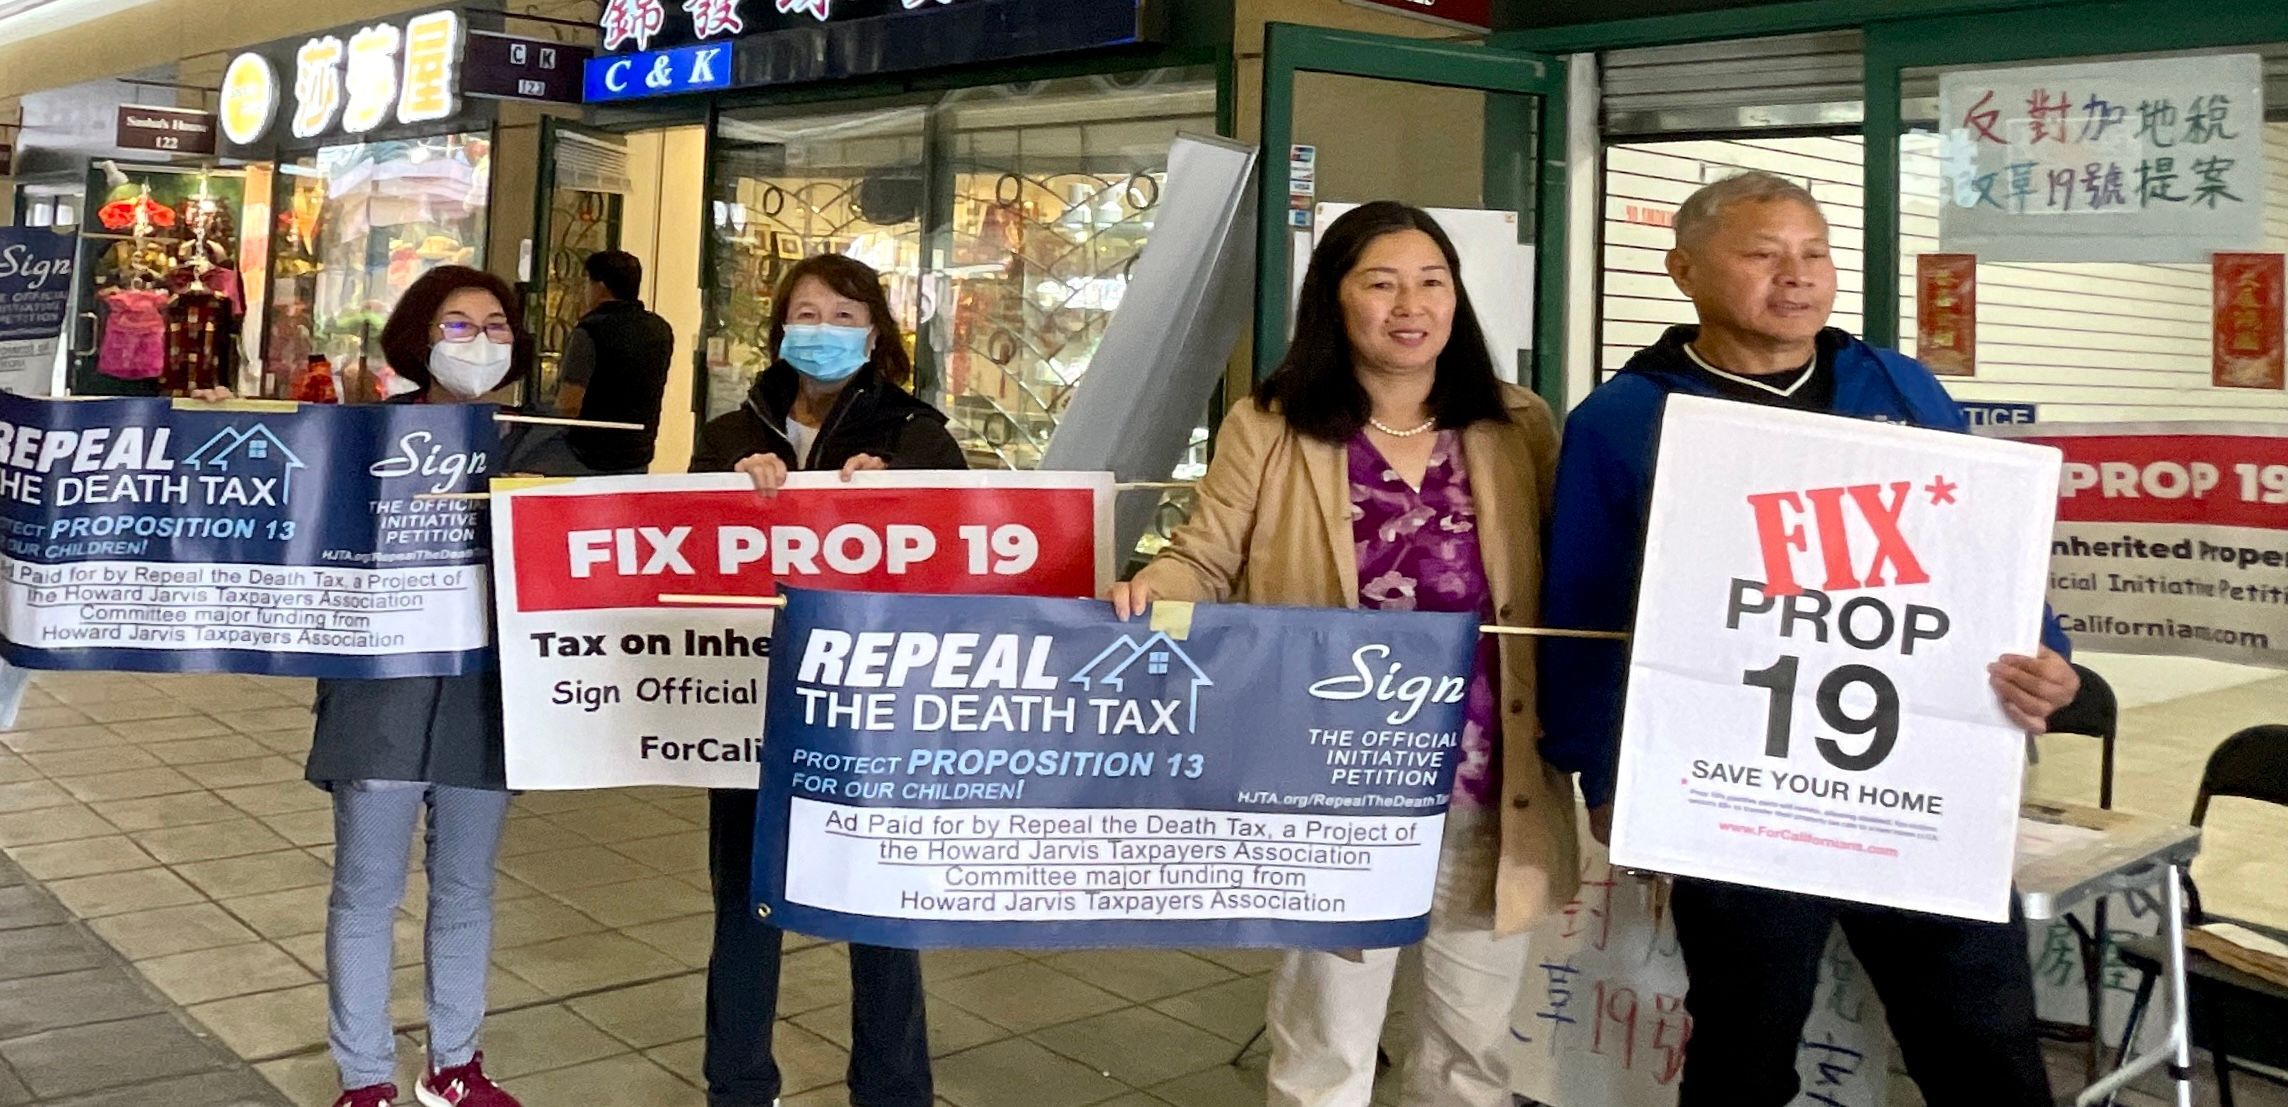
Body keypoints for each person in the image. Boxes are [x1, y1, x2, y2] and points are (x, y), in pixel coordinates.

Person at [1537, 171, 2083, 1107]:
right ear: (1684, 270)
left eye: (1814, 253)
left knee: (1983, 1036)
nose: (1796, 277)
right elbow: (1582, 611)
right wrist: (1602, 773)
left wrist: (2045, 650)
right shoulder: (1624, 421)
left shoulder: (1897, 387)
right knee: (1745, 1041)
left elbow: (1980, 549)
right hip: (1738, 786)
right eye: (1762, 254)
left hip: (1918, 780)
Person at [1111, 201, 1579, 1107]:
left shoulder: (1517, 423)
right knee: (1326, 1049)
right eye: (1382, 282)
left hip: (1491, 781)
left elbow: (1570, 570)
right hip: (1330, 783)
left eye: (1432, 281)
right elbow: (1206, 555)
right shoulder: (1273, 422)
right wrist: (1159, 586)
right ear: (1335, 298)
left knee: (1470, 1054)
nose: (1412, 304)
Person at [204, 267, 557, 1107]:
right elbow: (281, 491)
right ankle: (365, 1073)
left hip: (491, 703)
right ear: (420, 339)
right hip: (379, 697)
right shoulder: (362, 436)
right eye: (458, 325)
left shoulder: (545, 443)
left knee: (468, 884)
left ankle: (456, 1062)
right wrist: (217, 426)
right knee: (368, 886)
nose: (480, 341)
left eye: (496, 324)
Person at [691, 253, 962, 1107]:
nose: (824, 330)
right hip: (753, 707)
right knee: (744, 902)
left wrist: (909, 496)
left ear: (875, 333)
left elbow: (967, 545)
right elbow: (678, 540)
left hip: (866, 715)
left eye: (845, 315)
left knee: (876, 903)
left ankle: (891, 1089)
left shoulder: (917, 434)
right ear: (779, 329)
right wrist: (729, 493)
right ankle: (736, 1085)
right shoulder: (733, 432)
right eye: (807, 312)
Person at [556, 249, 674, 473]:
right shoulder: (660, 329)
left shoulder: (590, 331)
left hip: (588, 455)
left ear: (599, 286)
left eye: (586, 283)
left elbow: (569, 404)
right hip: (638, 454)